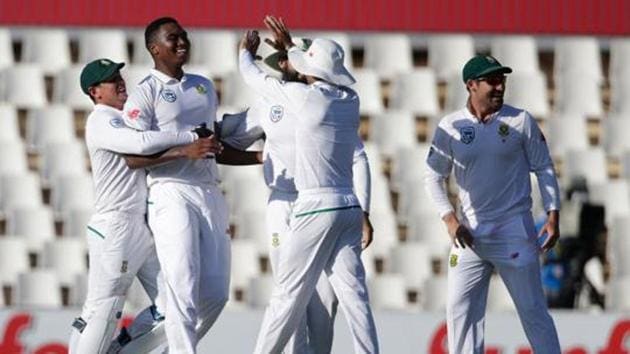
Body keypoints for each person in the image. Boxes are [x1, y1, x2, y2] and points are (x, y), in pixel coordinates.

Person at [220, 36, 374, 354]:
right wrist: (294, 48)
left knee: (287, 295)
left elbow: (253, 76)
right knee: (355, 297)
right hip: (347, 206)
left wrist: (245, 54)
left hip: (314, 206)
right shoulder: (350, 99)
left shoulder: (302, 97)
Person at [69, 58, 219, 354]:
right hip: (116, 225)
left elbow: (150, 139)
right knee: (104, 307)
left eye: (119, 75)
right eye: (111, 80)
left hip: (139, 225)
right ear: (95, 92)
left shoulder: (123, 117)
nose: (120, 82)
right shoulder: (102, 119)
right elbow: (139, 145)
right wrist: (189, 138)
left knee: (172, 306)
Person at [122, 17, 245, 353]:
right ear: (154, 48)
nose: (182, 42)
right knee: (183, 289)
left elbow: (211, 145)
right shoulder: (144, 93)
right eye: (173, 38)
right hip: (170, 191)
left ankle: (146, 350)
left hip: (209, 191)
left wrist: (259, 156)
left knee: (216, 294)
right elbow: (131, 157)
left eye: (184, 36)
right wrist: (183, 151)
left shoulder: (203, 86)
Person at [424, 54, 562, 354]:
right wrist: (450, 220)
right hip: (469, 236)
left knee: (533, 312)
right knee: (460, 315)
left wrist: (553, 215)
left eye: (502, 80)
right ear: (471, 85)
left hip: (514, 232)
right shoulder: (451, 126)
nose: (500, 87)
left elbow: (544, 169)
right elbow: (433, 177)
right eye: (492, 80)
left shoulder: (520, 120)